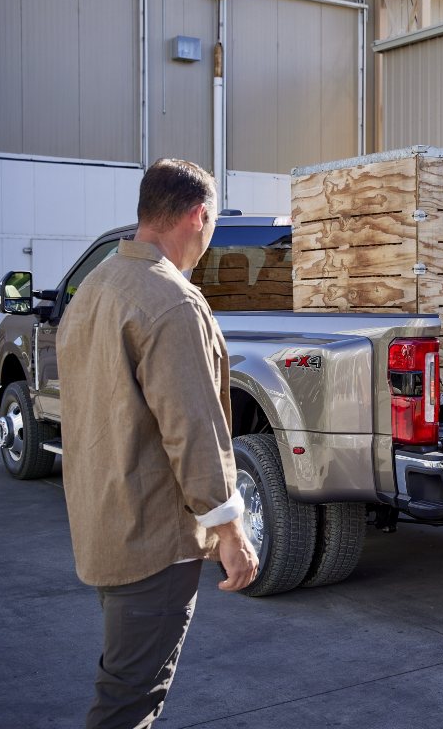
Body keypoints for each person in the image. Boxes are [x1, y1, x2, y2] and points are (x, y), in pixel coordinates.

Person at [57, 158, 259, 729]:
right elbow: (193, 427)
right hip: (153, 538)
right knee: (129, 702)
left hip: (104, 524)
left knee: (124, 678)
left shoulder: (96, 287)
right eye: (213, 221)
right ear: (198, 216)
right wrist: (230, 531)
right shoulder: (171, 301)